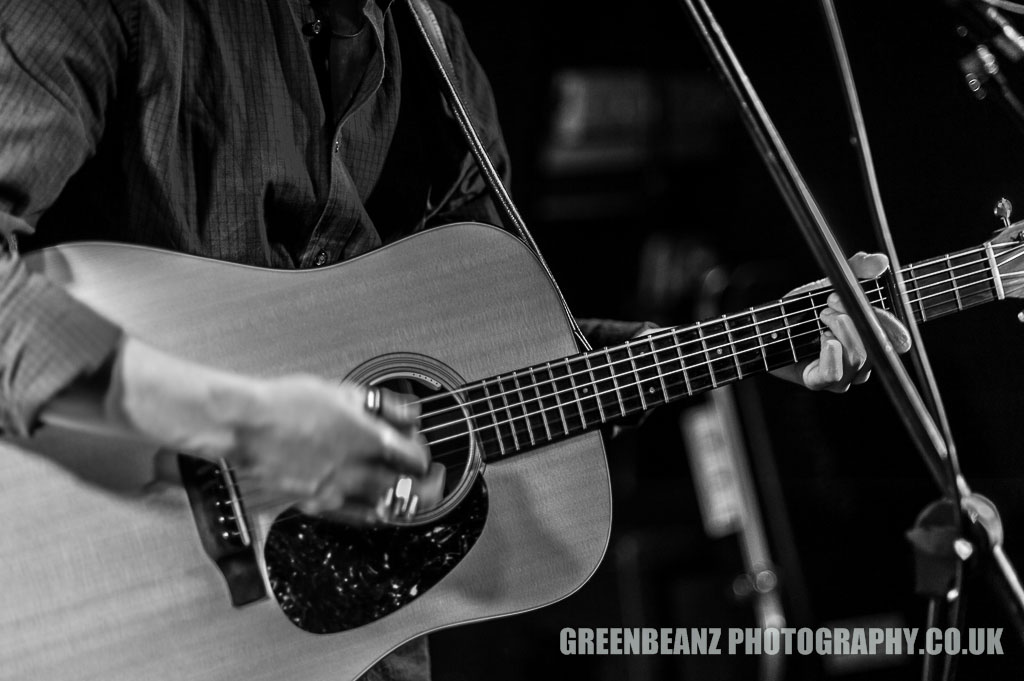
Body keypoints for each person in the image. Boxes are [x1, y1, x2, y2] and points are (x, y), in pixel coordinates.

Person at [0, 1, 910, 679]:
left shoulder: (435, 54)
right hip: (98, 586)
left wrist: (750, 341)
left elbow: (503, 359)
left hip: (354, 637)